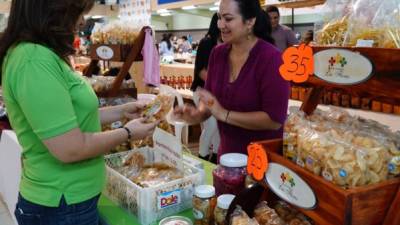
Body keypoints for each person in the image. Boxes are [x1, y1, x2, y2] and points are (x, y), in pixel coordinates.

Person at [0, 1, 158, 224]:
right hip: (61, 206)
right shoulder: (33, 59)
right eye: (78, 13)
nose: (82, 21)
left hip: (72, 202)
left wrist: (122, 111)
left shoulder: (43, 54)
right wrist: (127, 133)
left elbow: (73, 119)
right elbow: (70, 148)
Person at [174, 0, 290, 160]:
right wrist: (197, 114)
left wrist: (224, 114)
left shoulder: (272, 58)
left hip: (263, 162)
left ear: (250, 21)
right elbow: (210, 100)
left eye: (228, 19)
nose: (220, 24)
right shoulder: (217, 54)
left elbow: (274, 119)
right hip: (228, 159)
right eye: (219, 17)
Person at [191, 12, 222, 163]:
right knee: (211, 125)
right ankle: (202, 156)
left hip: (216, 93)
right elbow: (202, 71)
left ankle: (215, 156)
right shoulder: (207, 42)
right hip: (202, 91)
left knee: (217, 127)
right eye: (223, 20)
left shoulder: (222, 42)